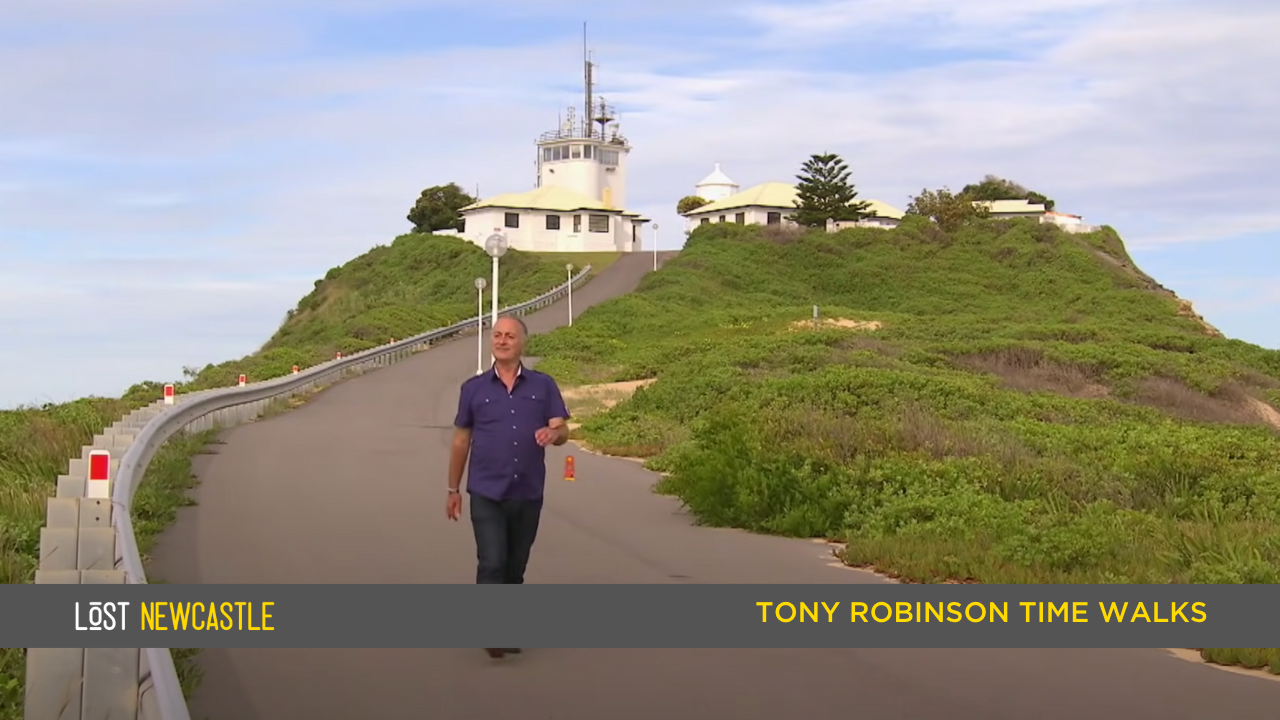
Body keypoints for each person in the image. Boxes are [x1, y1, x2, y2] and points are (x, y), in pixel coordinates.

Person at [446, 315, 570, 659]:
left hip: (528, 492)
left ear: (522, 343)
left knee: (515, 567)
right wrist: (452, 489)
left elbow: (562, 432)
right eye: (497, 335)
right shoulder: (473, 389)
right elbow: (460, 441)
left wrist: (553, 434)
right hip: (486, 490)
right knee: (492, 562)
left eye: (509, 336)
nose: (502, 340)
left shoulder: (544, 386)